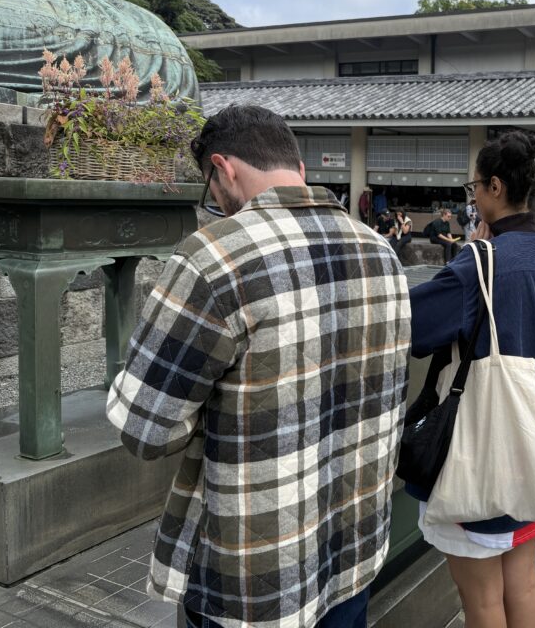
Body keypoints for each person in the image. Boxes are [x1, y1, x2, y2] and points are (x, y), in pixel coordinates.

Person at [106, 104, 410, 628]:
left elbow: (145, 427)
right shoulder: (381, 252)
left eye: (210, 188)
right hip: (355, 548)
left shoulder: (215, 258)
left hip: (254, 574)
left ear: (223, 169)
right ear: (300, 170)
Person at [407, 130, 535, 628]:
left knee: (481, 599)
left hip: (481, 446)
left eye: (474, 185)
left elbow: (412, 326)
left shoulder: (480, 261)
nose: (474, 194)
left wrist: (470, 260)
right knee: (523, 580)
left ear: (496, 187)